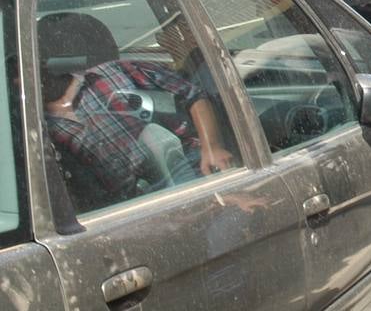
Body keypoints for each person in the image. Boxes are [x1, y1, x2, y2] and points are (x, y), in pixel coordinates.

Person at [42, 55, 234, 202]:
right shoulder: (39, 129)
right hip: (133, 204)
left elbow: (191, 93)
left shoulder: (115, 71)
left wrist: (212, 147)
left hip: (190, 169)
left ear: (41, 64)